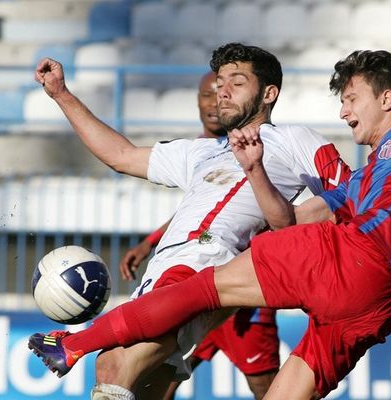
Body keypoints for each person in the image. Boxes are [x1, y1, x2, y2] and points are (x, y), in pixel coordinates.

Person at [29, 49, 391, 399]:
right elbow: (286, 218)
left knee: (176, 313)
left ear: (386, 95)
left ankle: (75, 343)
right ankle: (83, 346)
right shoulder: (355, 178)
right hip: (377, 302)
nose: (345, 111)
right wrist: (62, 96)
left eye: (351, 99)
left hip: (350, 261)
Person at [28, 42, 350, 400]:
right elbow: (121, 155)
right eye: (220, 81)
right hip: (167, 268)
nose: (222, 91)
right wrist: (61, 94)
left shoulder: (294, 139)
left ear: (268, 94)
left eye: (237, 82)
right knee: (145, 386)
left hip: (204, 261)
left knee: (114, 366)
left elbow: (350, 196)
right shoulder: (201, 151)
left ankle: (73, 344)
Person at [120, 71, 280, 400]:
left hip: (238, 295)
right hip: (193, 288)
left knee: (266, 387)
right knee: (157, 381)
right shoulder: (197, 151)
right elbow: (199, 217)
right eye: (206, 95)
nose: (213, 102)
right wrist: (150, 242)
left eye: (219, 93)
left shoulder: (256, 147)